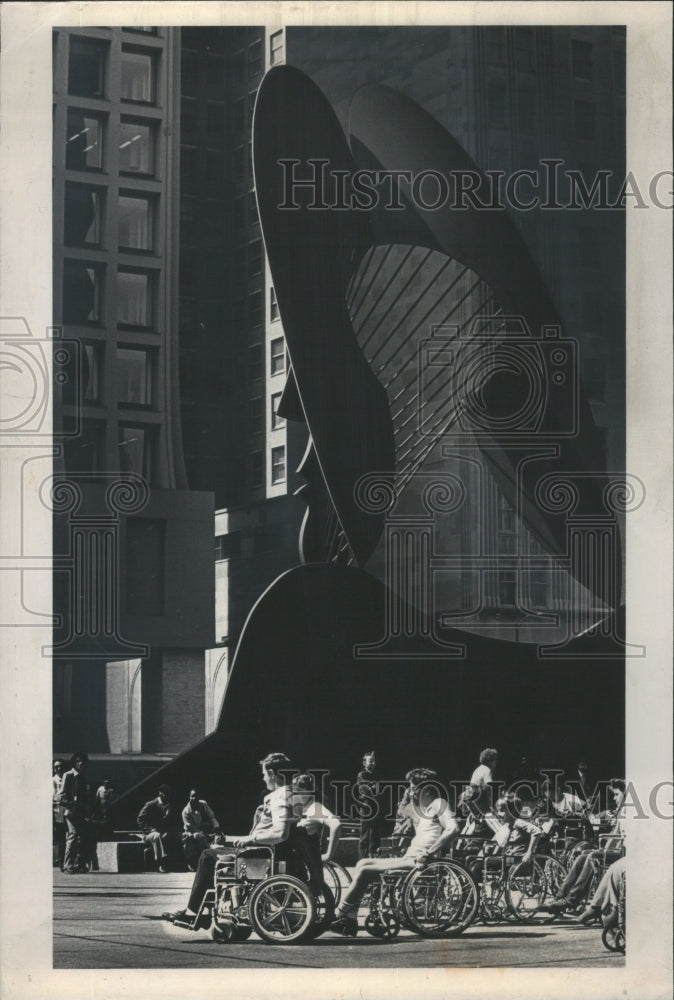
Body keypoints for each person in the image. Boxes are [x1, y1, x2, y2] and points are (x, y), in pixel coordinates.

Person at [163, 752, 294, 926]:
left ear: (272, 773)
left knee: (208, 856)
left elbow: (281, 833)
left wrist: (250, 839)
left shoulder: (278, 797)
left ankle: (193, 912)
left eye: (264, 774)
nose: (263, 778)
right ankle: (205, 910)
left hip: (261, 853)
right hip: (269, 850)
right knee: (218, 847)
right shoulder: (294, 794)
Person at [331, 768, 459, 936]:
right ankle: (350, 918)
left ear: (425, 788)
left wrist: (428, 853)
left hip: (422, 861)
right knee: (362, 863)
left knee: (364, 869)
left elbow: (453, 828)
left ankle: (339, 915)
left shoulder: (439, 804)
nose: (410, 791)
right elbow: (402, 823)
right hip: (410, 857)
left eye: (413, 787)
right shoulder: (420, 808)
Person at [537, 779, 626, 915]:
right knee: (582, 857)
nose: (614, 798)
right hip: (609, 847)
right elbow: (614, 835)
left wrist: (603, 849)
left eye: (616, 794)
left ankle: (571, 899)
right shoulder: (621, 812)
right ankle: (559, 898)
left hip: (619, 851)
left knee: (590, 856)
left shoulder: (626, 813)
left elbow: (617, 837)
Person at [61, 751, 91, 873]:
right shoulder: (68, 775)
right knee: (73, 835)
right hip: (71, 811)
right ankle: (67, 865)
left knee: (82, 837)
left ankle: (79, 864)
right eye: (78, 761)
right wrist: (70, 803)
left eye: (82, 761)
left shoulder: (83, 777)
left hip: (81, 812)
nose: (80, 763)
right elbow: (61, 795)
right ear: (74, 762)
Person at [137, 784, 177, 873]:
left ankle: (184, 862)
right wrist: (150, 829)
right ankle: (161, 863)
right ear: (160, 794)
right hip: (150, 834)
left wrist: (169, 830)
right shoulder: (151, 804)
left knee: (179, 835)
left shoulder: (169, 805)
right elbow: (140, 819)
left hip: (164, 832)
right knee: (156, 835)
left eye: (168, 794)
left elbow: (171, 822)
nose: (167, 796)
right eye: (165, 794)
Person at [460, 748, 498, 834]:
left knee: (475, 818)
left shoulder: (478, 769)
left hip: (468, 795)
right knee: (488, 816)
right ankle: (500, 833)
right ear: (491, 760)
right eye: (494, 760)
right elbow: (489, 786)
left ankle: (463, 839)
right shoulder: (487, 770)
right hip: (476, 795)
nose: (495, 763)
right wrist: (491, 803)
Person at [181, 789, 221, 871]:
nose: (194, 798)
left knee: (219, 838)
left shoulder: (203, 804)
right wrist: (201, 833)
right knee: (195, 838)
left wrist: (216, 828)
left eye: (196, 796)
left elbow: (211, 816)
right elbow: (189, 827)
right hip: (192, 832)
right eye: (192, 796)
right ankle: (193, 862)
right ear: (189, 797)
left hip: (204, 829)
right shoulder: (185, 812)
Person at [355, 751, 381, 859]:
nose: (373, 764)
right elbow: (367, 791)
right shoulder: (362, 775)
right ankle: (363, 859)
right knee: (365, 834)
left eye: (374, 761)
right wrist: (374, 790)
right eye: (370, 761)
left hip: (376, 807)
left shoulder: (376, 775)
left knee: (375, 834)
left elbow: (377, 790)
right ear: (364, 763)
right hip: (366, 807)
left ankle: (374, 857)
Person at [52, 760, 67, 870]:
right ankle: (61, 862)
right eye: (56, 767)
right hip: (58, 811)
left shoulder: (67, 778)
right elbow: (54, 796)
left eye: (60, 766)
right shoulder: (53, 780)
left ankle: (67, 861)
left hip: (68, 809)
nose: (58, 769)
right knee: (61, 837)